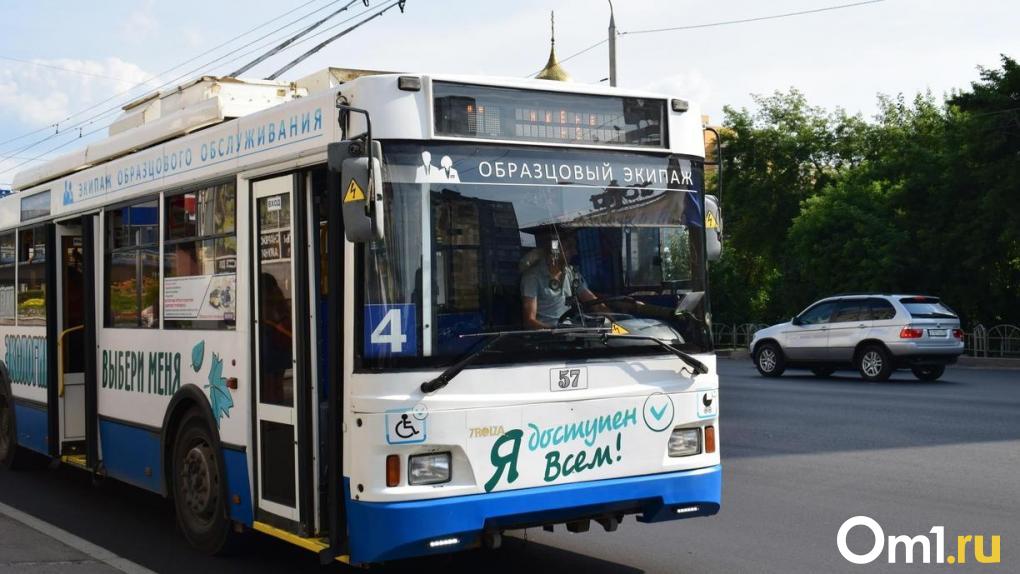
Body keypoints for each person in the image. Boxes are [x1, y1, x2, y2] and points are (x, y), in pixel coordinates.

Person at [520, 228, 599, 329]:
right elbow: (529, 321)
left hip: (572, 335)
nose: (574, 252)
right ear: (555, 250)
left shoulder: (571, 273)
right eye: (569, 248)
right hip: (547, 340)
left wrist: (615, 321)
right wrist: (557, 332)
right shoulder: (532, 277)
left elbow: (595, 303)